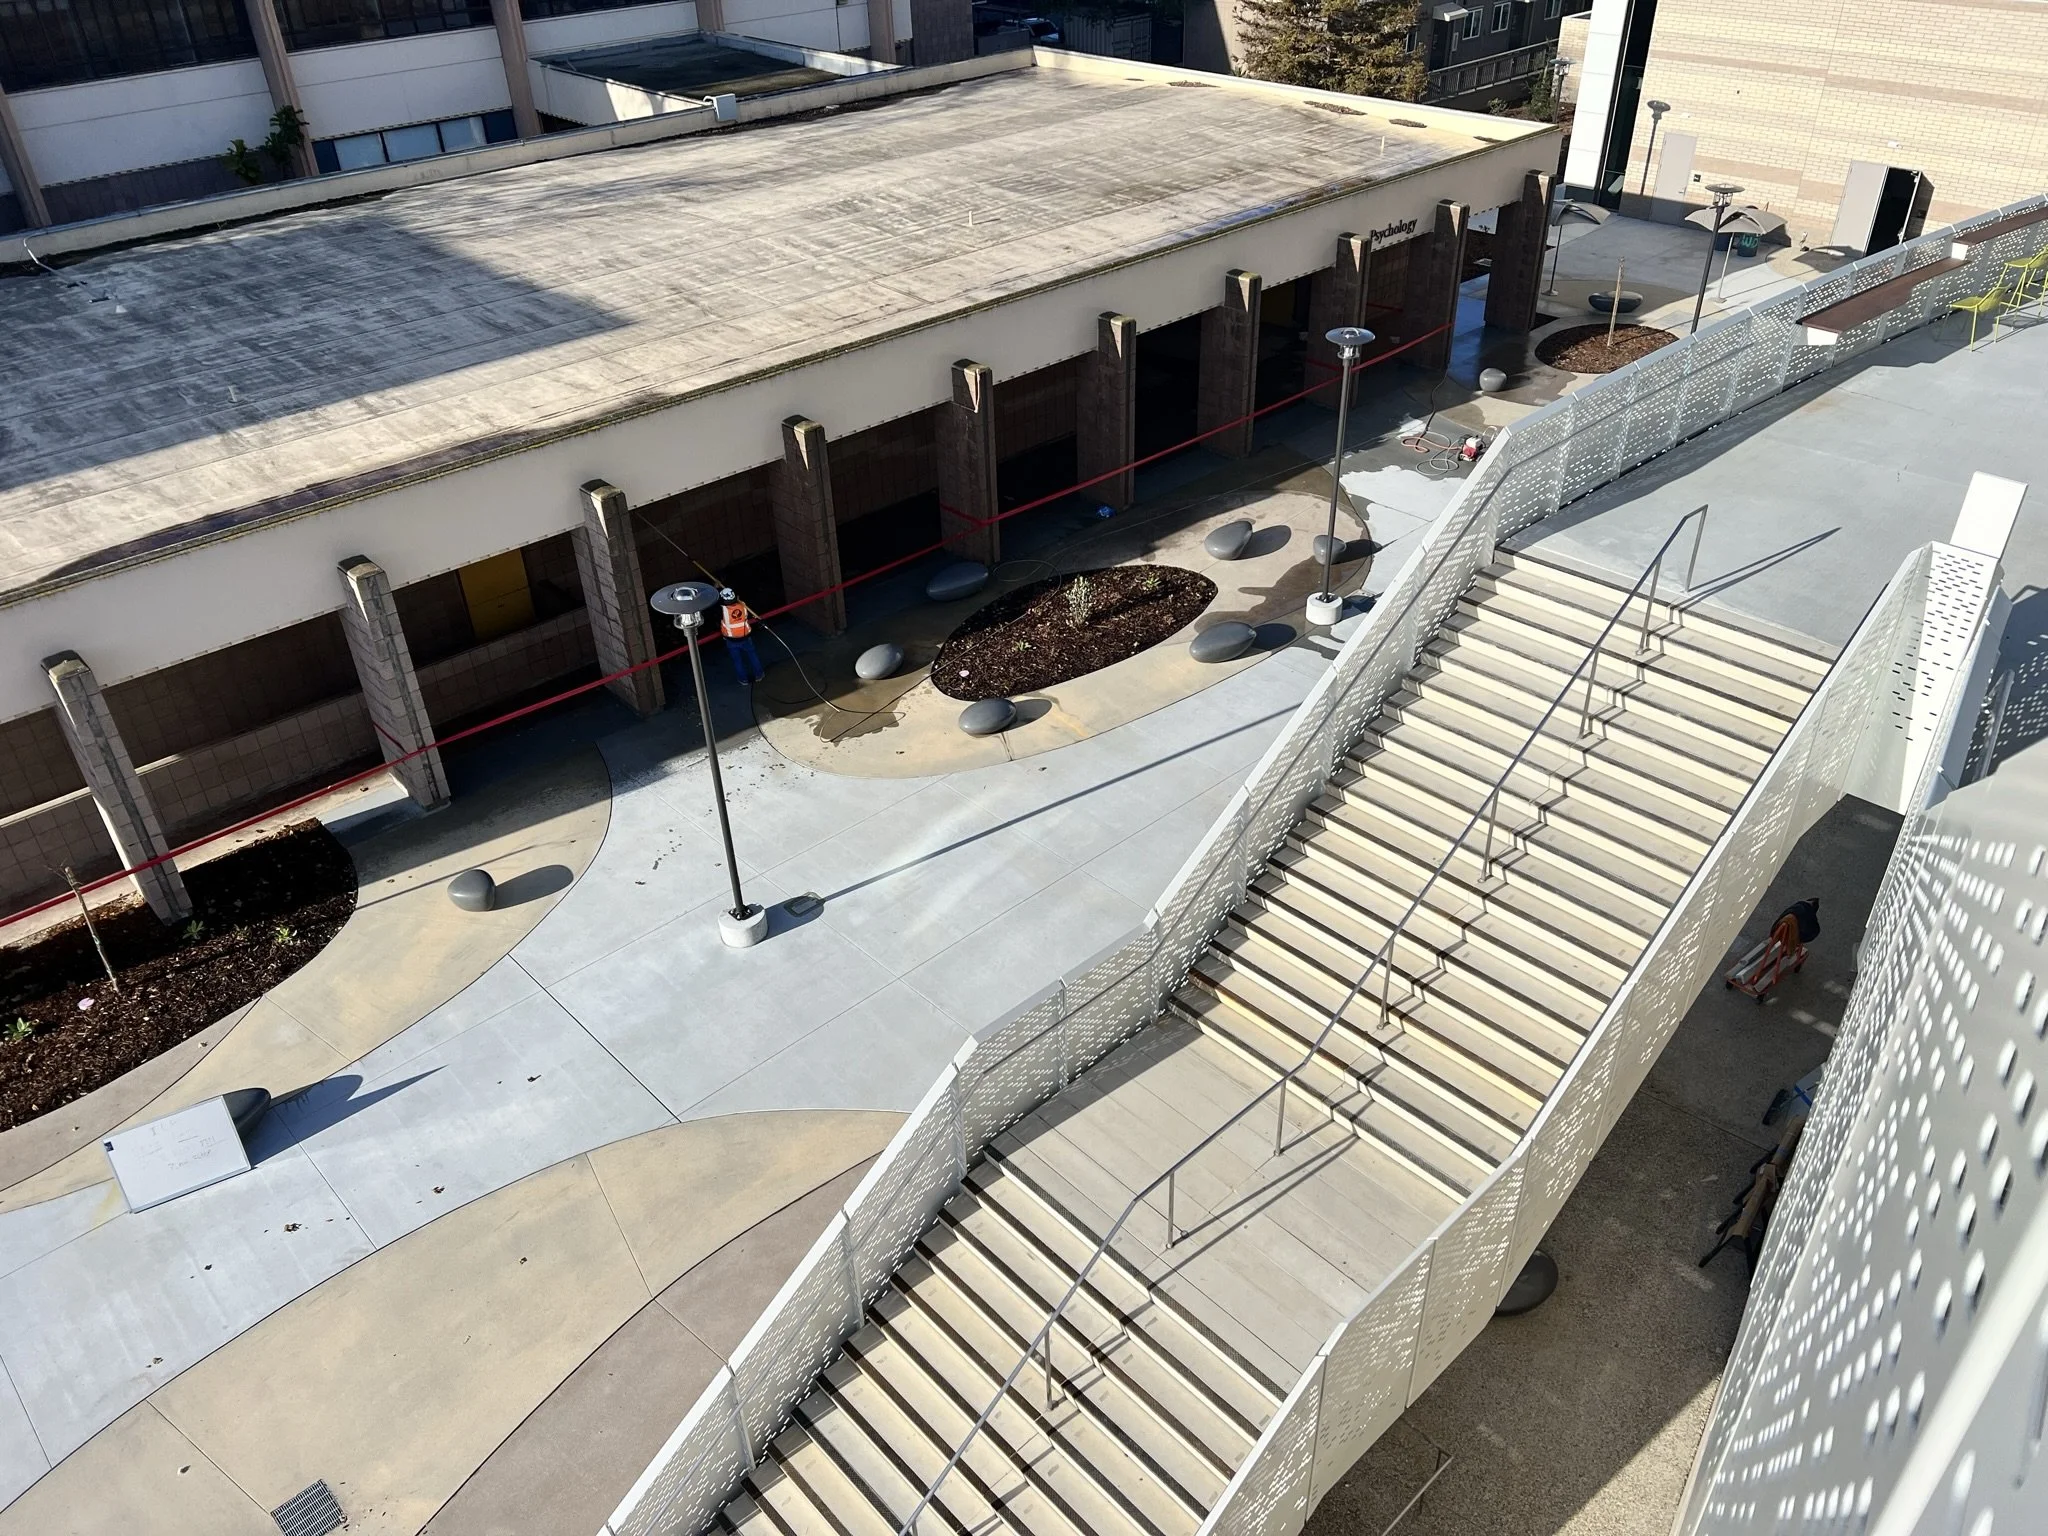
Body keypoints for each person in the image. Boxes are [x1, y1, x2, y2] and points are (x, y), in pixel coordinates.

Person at [720, 588, 764, 686]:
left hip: (731, 640)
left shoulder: (724, 610)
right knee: (752, 655)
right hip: (745, 637)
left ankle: (743, 679)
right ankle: (759, 674)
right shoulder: (743, 606)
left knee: (737, 661)